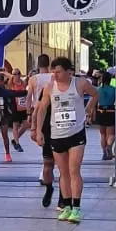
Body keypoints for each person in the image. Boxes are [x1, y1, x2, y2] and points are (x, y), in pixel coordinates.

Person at [36, 56, 95, 222]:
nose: (55, 74)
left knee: (74, 170)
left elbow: (95, 94)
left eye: (59, 71)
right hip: (57, 134)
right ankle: (67, 206)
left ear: (69, 72)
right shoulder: (49, 87)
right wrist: (39, 131)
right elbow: (41, 110)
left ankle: (76, 208)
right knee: (63, 172)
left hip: (76, 133)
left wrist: (89, 108)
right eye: (53, 71)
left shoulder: (80, 84)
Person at [26, 55, 55, 205]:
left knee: (46, 152)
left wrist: (29, 116)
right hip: (52, 115)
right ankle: (47, 176)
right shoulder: (54, 77)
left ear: (38, 64)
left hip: (40, 116)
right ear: (49, 64)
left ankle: (44, 175)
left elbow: (29, 98)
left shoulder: (33, 79)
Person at [94, 70, 116, 160]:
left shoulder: (98, 89)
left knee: (102, 134)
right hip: (111, 111)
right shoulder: (113, 89)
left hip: (100, 111)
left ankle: (104, 152)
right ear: (110, 80)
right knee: (111, 134)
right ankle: (109, 146)